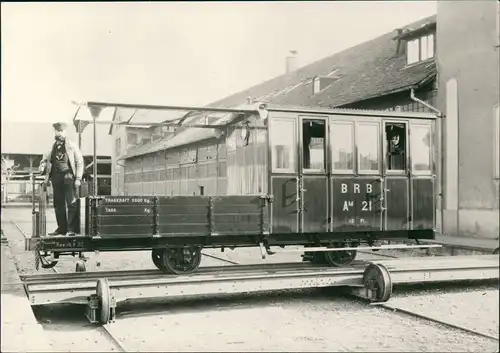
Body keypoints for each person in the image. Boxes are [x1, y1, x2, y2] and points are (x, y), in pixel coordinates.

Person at [39, 121, 84, 236]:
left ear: (65, 132)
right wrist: (42, 166)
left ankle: (72, 229)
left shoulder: (72, 146)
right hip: (56, 178)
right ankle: (62, 228)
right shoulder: (51, 148)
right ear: (55, 132)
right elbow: (44, 161)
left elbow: (79, 162)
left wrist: (78, 178)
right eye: (57, 131)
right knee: (58, 204)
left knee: (71, 203)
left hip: (69, 177)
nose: (59, 133)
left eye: (61, 131)